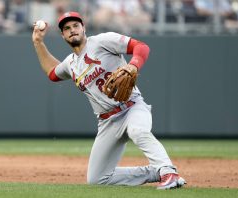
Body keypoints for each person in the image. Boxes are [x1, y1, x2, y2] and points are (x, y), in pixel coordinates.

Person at [32, 11, 186, 190]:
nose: (72, 30)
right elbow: (52, 73)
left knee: (137, 131)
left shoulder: (102, 41)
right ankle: (155, 173)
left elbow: (141, 47)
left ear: (84, 28)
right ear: (63, 35)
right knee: (97, 179)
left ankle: (169, 172)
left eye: (75, 25)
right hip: (107, 122)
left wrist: (133, 65)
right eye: (67, 28)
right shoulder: (71, 63)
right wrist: (38, 42)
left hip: (131, 107)